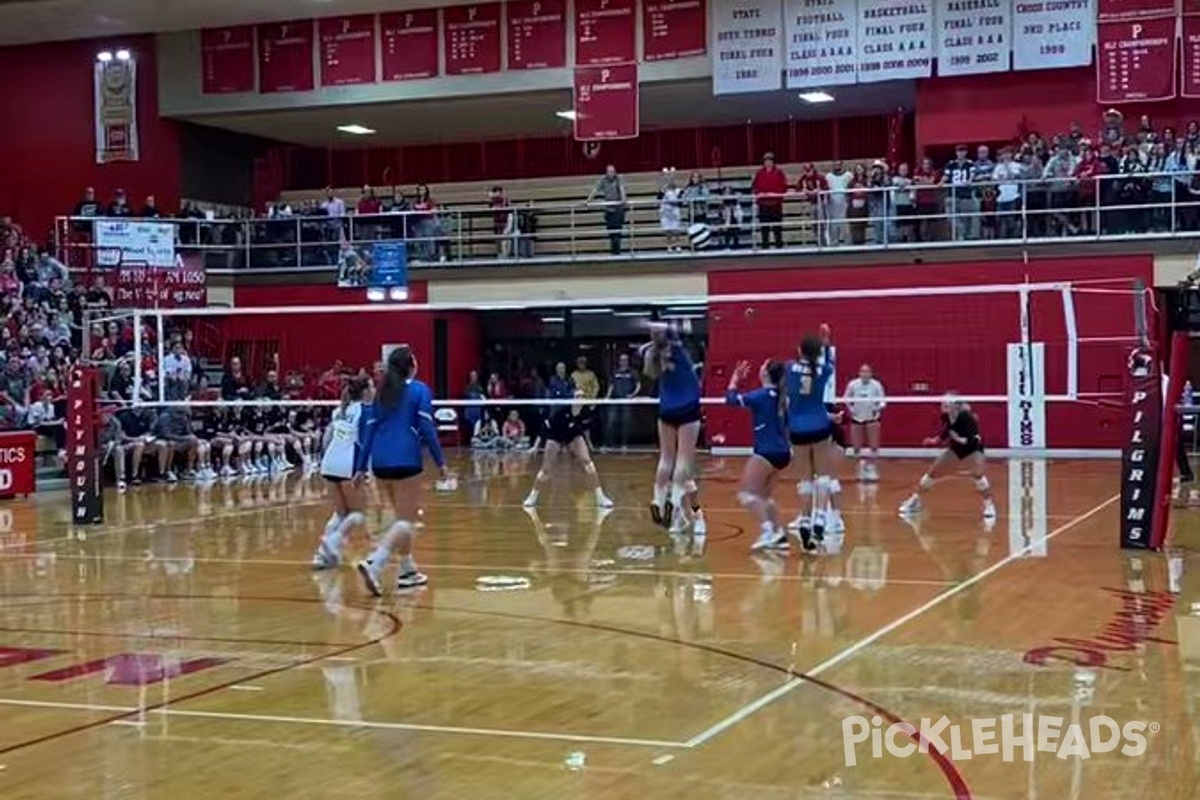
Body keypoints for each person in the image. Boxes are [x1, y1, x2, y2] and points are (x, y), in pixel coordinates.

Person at [354, 346, 447, 595]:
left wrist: (361, 467)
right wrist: (441, 462)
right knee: (405, 520)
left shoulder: (381, 393)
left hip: (381, 462)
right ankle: (375, 563)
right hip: (406, 459)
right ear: (412, 365)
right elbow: (427, 428)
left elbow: (369, 431)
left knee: (400, 518)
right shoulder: (419, 390)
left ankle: (407, 569)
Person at [641, 322, 705, 535]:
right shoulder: (676, 348)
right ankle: (681, 508)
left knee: (667, 460)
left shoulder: (654, 354)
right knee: (685, 468)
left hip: (667, 409)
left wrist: (650, 343)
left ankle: (661, 502)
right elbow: (675, 330)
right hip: (687, 409)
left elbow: (649, 372)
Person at [726, 360, 792, 552]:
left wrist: (735, 379)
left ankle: (767, 531)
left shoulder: (761, 395)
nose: (760, 368)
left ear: (765, 374)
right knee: (765, 496)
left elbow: (731, 399)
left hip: (766, 451)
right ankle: (778, 534)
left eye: (762, 366)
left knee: (746, 495)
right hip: (783, 452)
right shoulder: (782, 397)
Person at [899, 394, 997, 520]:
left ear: (955, 406)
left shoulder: (967, 418)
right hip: (956, 449)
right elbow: (946, 431)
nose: (943, 406)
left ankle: (989, 505)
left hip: (974, 448)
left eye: (946, 404)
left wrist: (960, 439)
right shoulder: (946, 417)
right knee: (932, 474)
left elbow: (973, 438)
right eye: (942, 403)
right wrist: (934, 440)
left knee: (978, 474)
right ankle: (914, 501)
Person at [312, 377, 372, 571]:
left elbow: (328, 439)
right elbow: (364, 444)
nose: (374, 389)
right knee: (358, 514)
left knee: (340, 513)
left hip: (329, 464)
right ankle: (330, 546)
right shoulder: (364, 411)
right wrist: (364, 470)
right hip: (349, 465)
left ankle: (322, 556)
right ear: (364, 391)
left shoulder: (339, 410)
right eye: (371, 385)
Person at [785, 333, 836, 551]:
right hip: (820, 426)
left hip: (797, 428)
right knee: (823, 475)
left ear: (799, 350)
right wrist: (826, 342)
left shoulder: (788, 368)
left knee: (805, 478)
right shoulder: (824, 370)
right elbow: (830, 360)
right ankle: (820, 520)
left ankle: (805, 520)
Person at [522, 389, 613, 508]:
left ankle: (600, 498)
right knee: (546, 470)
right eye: (577, 396)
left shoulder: (586, 412)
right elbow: (545, 429)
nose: (580, 399)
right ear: (572, 399)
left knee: (588, 463)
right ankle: (532, 497)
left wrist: (589, 443)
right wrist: (535, 446)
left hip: (573, 435)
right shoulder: (560, 413)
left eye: (583, 396)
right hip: (555, 435)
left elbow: (585, 428)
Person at [844, 364, 886, 481]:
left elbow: (883, 401)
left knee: (874, 445)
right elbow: (846, 399)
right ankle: (861, 467)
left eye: (867, 371)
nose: (865, 374)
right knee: (856, 446)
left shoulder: (877, 385)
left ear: (871, 373)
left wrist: (877, 409)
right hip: (857, 418)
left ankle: (871, 467)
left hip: (872, 418)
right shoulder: (853, 384)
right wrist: (852, 410)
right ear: (859, 373)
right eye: (862, 371)